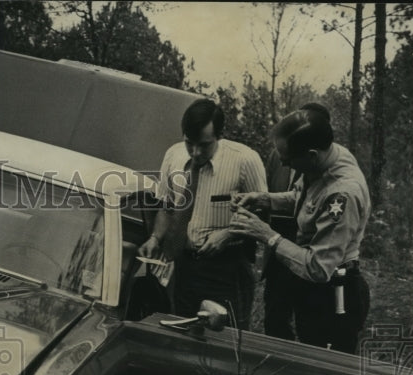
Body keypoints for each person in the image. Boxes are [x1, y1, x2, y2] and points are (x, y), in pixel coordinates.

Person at [230, 107, 371, 353]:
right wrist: (264, 198)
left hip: (335, 294)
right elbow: (302, 196)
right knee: (307, 349)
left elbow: (318, 268)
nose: (282, 162)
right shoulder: (326, 157)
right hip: (314, 289)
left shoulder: (342, 194)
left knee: (325, 370)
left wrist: (267, 235)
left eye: (287, 159)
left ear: (312, 155)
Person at [139, 99, 268, 329]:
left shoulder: (245, 161)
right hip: (185, 268)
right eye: (190, 143)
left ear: (219, 136)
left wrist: (228, 234)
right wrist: (155, 238)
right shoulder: (173, 156)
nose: (196, 152)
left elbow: (261, 216)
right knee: (183, 330)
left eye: (204, 145)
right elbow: (166, 206)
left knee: (227, 339)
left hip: (227, 268)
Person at [262, 102, 333, 341]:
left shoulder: (329, 171)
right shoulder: (276, 156)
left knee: (309, 328)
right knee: (274, 320)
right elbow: (276, 193)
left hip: (308, 259)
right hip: (277, 257)